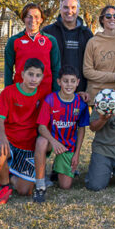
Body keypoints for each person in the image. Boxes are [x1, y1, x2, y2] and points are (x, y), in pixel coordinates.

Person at [0, 58, 48, 204]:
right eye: (30, 74)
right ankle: (5, 187)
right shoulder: (9, 92)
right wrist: (3, 138)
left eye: (37, 75)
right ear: (22, 74)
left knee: (25, 191)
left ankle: (6, 176)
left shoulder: (43, 94)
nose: (33, 79)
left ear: (42, 77)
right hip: (9, 139)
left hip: (28, 145)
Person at [33, 65, 90, 202]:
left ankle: (57, 168)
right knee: (41, 141)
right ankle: (40, 185)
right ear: (59, 82)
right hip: (51, 142)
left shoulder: (81, 103)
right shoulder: (50, 100)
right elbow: (41, 127)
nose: (69, 84)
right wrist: (54, 142)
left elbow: (81, 129)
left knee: (65, 186)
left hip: (68, 145)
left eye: (72, 81)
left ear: (77, 82)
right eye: (65, 81)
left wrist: (77, 153)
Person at [4, 3, 60, 96]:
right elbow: (8, 69)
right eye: (29, 16)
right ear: (24, 19)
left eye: (36, 17)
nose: (33, 20)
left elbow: (56, 68)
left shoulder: (50, 40)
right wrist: (8, 92)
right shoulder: (14, 41)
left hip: (45, 92)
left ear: (41, 19)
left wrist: (56, 92)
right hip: (21, 92)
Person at [42, 0, 93, 95]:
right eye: (65, 7)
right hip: (54, 91)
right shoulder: (48, 32)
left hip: (80, 91)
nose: (69, 11)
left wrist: (86, 90)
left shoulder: (86, 33)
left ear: (78, 10)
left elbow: (91, 64)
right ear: (60, 9)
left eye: (73, 7)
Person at [82, 5, 115, 105]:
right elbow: (87, 71)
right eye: (108, 16)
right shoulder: (93, 42)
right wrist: (114, 76)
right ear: (102, 20)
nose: (112, 18)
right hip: (97, 96)